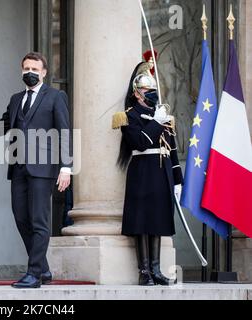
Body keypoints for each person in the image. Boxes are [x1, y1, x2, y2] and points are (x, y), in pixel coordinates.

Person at [0, 52, 72, 288]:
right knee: (21, 218)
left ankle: (34, 273)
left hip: (44, 169)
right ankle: (43, 268)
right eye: (26, 69)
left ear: (44, 72)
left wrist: (66, 167)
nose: (30, 73)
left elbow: (64, 131)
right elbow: (5, 124)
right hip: (19, 168)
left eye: (35, 69)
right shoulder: (16, 99)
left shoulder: (55, 96)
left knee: (39, 221)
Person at [113, 53, 183, 286]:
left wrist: (178, 179)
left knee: (158, 221)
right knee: (142, 221)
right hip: (142, 171)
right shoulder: (128, 117)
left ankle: (156, 269)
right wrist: (156, 121)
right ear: (137, 93)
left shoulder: (162, 115)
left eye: (152, 89)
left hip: (161, 172)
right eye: (146, 90)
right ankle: (144, 271)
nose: (151, 93)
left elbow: (171, 150)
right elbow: (140, 142)